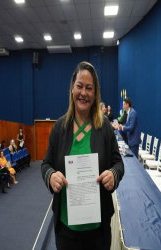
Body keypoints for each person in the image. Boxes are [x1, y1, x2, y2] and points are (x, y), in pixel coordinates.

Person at [41, 61, 124, 250]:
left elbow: (118, 163)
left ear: (95, 94)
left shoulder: (104, 128)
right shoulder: (59, 128)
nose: (84, 93)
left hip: (98, 231)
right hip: (66, 230)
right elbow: (46, 164)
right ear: (72, 88)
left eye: (89, 88)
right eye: (79, 86)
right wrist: (51, 176)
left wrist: (113, 174)